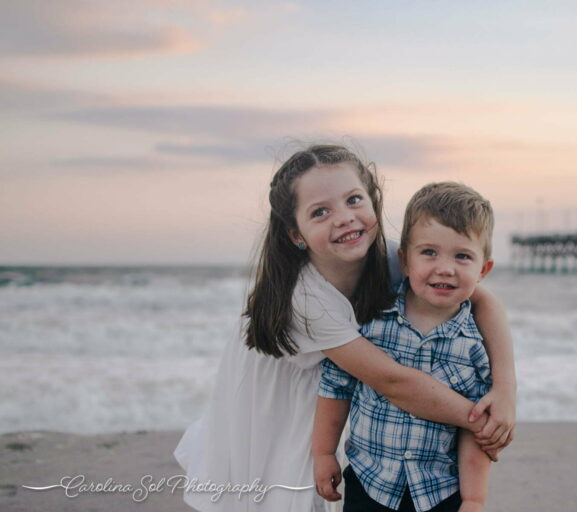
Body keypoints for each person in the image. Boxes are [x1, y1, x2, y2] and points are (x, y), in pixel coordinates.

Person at [174, 145, 517, 512]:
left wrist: (505, 391)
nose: (344, 218)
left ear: (373, 201)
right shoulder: (304, 299)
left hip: (333, 395)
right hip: (278, 404)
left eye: (353, 200)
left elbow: (484, 301)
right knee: (282, 495)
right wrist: (483, 422)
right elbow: (393, 382)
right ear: (297, 234)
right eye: (320, 212)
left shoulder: (399, 258)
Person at [313, 183, 497, 512]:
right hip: (370, 482)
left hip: (439, 491)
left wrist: (474, 498)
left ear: (483, 269)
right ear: (405, 261)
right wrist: (324, 453)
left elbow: (474, 427)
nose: (445, 268)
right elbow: (336, 386)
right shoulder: (372, 320)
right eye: (429, 252)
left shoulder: (474, 347)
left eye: (462, 256)